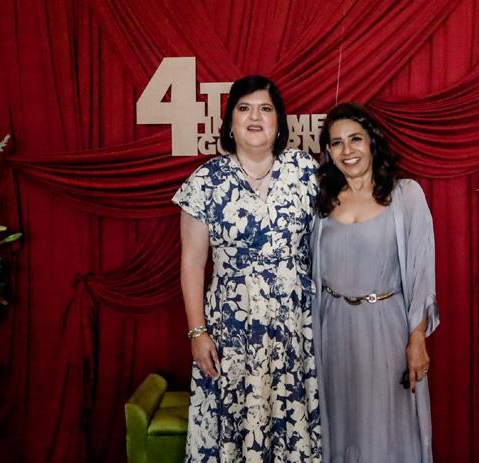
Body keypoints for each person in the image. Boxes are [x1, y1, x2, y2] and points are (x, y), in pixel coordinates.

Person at [174, 75, 321, 462]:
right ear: (230, 122)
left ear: (279, 123)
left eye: (265, 109)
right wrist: (197, 331)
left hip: (295, 327)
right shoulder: (206, 180)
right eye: (244, 108)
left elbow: (335, 239)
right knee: (236, 425)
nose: (255, 117)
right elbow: (192, 263)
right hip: (232, 329)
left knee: (291, 422)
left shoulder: (306, 171)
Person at [311, 102, 440, 462]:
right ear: (328, 151)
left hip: (386, 327)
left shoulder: (406, 195)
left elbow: (422, 272)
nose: (347, 150)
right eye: (336, 143)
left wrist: (417, 337)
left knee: (389, 425)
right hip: (332, 329)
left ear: (372, 142)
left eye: (355, 139)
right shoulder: (320, 200)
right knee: (340, 422)